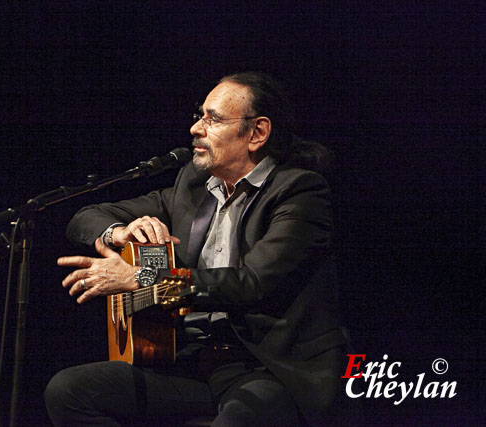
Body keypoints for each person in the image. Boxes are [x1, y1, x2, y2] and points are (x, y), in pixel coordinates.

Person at [45, 72, 348, 426]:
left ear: (257, 133)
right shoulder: (193, 184)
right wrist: (119, 233)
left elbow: (249, 283)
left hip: (266, 368)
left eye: (213, 119)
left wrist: (144, 278)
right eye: (199, 116)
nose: (196, 128)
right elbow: (86, 217)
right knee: (68, 391)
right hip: (193, 363)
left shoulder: (300, 192)